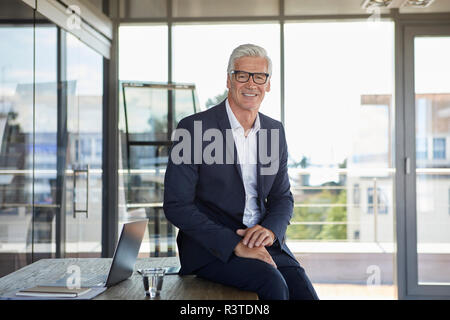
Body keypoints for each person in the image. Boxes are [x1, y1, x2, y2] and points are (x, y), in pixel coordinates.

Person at [163, 44, 318, 300]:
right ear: (229, 80)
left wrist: (269, 230)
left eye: (259, 77)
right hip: (210, 247)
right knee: (272, 284)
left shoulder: (273, 132)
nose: (251, 84)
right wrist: (234, 244)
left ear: (267, 84)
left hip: (261, 241)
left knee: (303, 290)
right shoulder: (193, 128)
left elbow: (282, 198)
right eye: (242, 75)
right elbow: (176, 205)